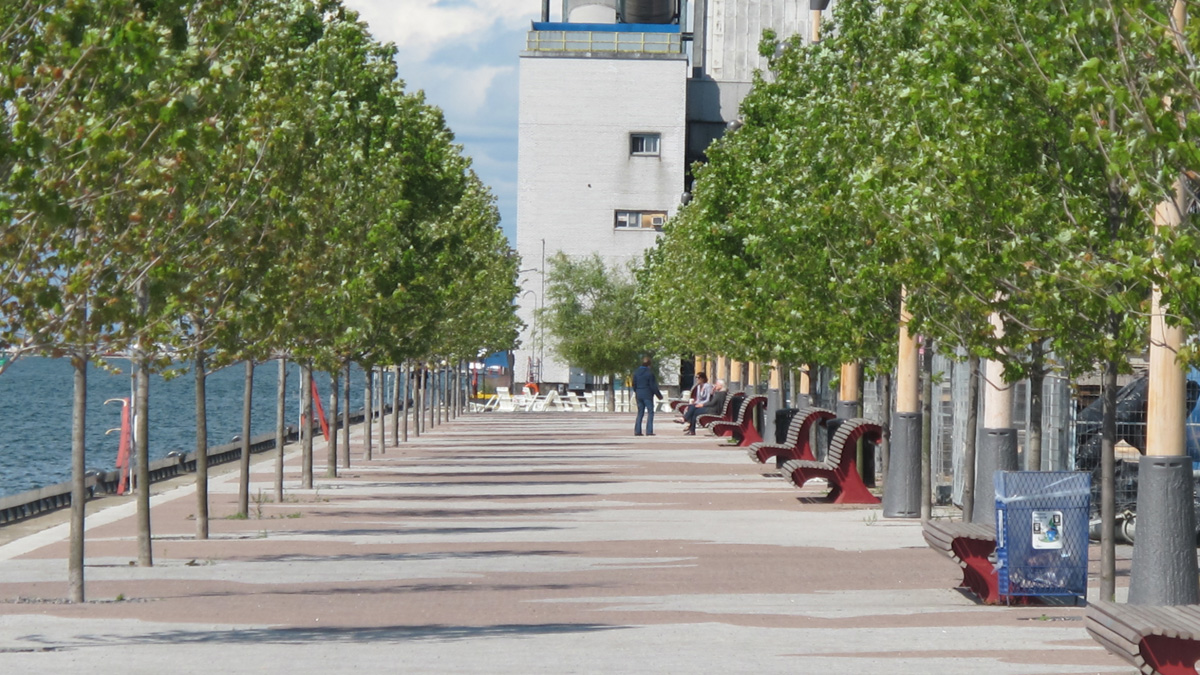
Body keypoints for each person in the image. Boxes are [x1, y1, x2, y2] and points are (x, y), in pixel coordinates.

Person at [632, 356, 663, 436]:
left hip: (639, 394)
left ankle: (637, 431)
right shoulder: (649, 373)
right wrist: (659, 395)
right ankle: (649, 431)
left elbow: (633, 384)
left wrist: (637, 391)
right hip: (647, 394)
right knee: (650, 412)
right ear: (649, 364)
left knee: (640, 413)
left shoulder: (636, 372)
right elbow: (653, 386)